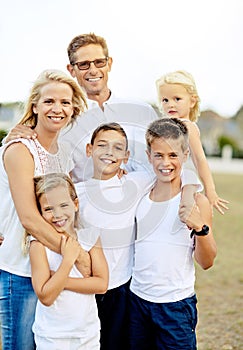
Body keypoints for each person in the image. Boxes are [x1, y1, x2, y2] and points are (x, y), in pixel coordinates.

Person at [75, 122, 203, 350]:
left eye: (117, 148)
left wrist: (189, 194)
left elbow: (179, 169)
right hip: (87, 287)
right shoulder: (77, 192)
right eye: (102, 145)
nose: (109, 153)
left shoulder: (135, 182)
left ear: (126, 156)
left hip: (122, 287)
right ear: (89, 149)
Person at [0, 69, 90, 350]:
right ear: (35, 106)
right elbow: (29, 218)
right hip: (19, 269)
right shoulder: (19, 149)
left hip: (51, 270)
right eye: (49, 101)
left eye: (65, 102)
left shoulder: (63, 153)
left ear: (73, 108)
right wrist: (77, 257)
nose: (57, 109)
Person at [6, 32, 158, 182]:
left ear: (109, 63)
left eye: (99, 62)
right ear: (71, 69)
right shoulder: (60, 122)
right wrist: (14, 136)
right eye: (84, 64)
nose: (93, 70)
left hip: (144, 201)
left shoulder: (143, 111)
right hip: (87, 203)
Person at [129, 118, 217, 349]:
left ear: (185, 155)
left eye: (173, 155)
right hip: (137, 301)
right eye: (158, 155)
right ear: (149, 156)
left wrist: (201, 228)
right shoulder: (140, 195)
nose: (165, 162)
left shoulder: (197, 202)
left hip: (175, 306)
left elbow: (206, 262)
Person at [29, 173, 108, 349]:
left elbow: (102, 284)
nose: (57, 214)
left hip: (86, 334)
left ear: (76, 204)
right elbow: (46, 296)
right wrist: (68, 261)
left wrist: (58, 279)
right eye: (48, 209)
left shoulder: (89, 236)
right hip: (52, 337)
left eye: (64, 205)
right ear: (40, 212)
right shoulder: (38, 245)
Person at [156, 70, 229, 214]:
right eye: (165, 100)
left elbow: (200, 159)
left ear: (192, 101)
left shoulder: (187, 126)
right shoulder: (163, 126)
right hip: (165, 176)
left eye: (177, 99)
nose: (170, 104)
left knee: (186, 212)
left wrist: (211, 190)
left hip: (184, 180)